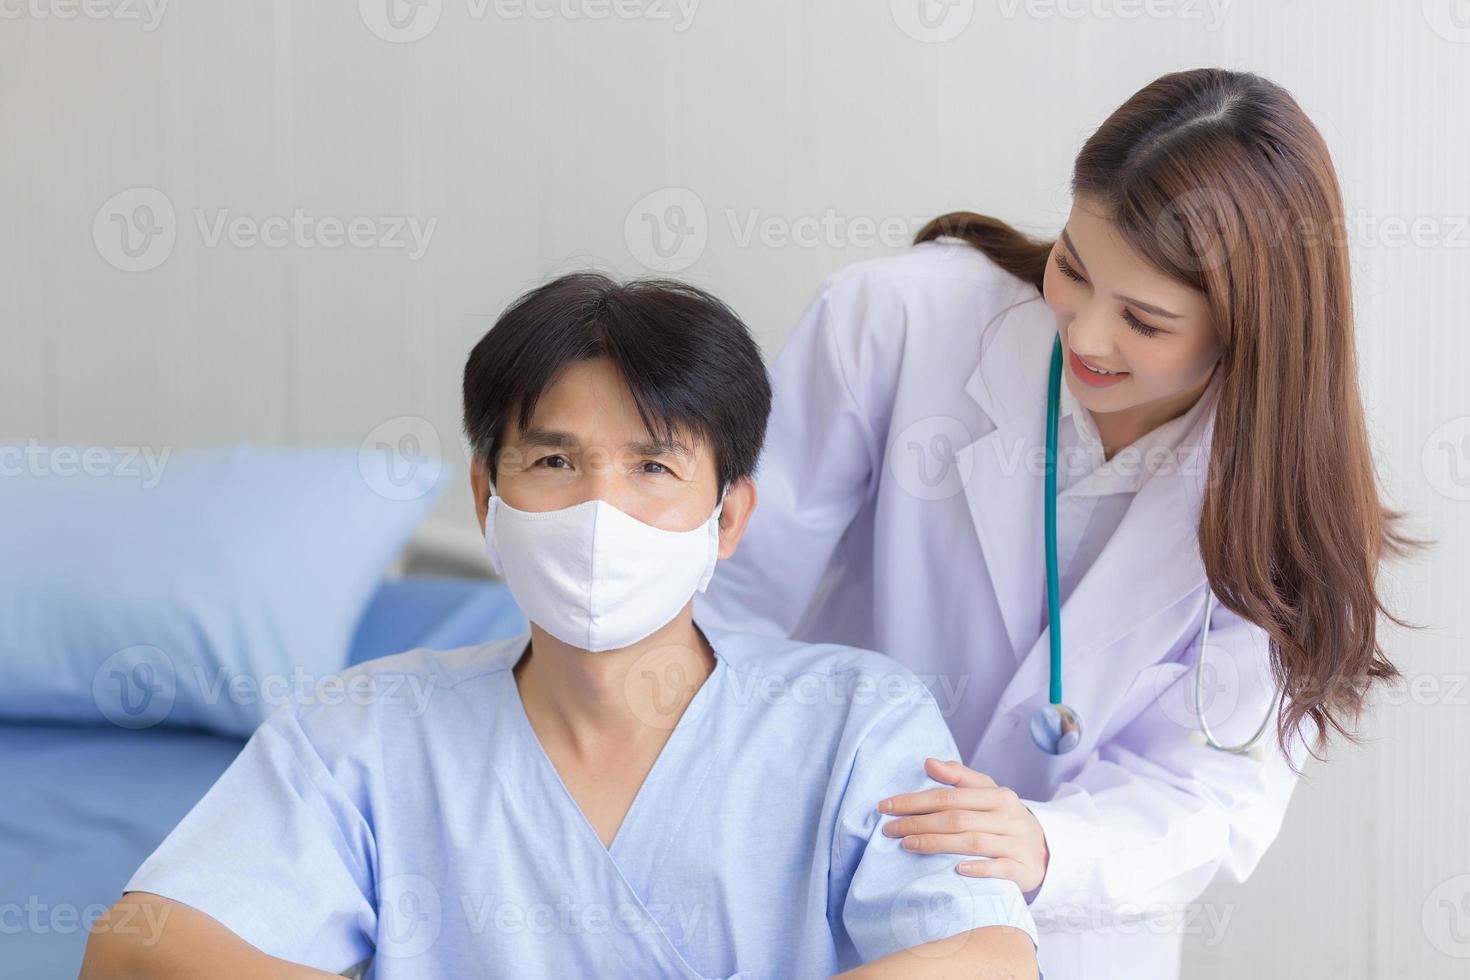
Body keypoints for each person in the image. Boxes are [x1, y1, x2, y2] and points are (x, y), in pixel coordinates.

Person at [82, 272, 1040, 979]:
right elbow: (136, 948)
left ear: (731, 518)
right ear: (486, 496)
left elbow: (985, 954)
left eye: (654, 468)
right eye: (554, 463)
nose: (599, 512)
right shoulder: (366, 731)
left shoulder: (852, 718)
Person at [693, 68, 1420, 980]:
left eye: (1146, 321)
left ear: (1251, 332)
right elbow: (729, 597)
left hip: (1071, 932)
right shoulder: (900, 320)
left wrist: (1045, 844)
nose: (1085, 336)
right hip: (814, 873)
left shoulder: (1287, 502)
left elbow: (1215, 796)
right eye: (1073, 267)